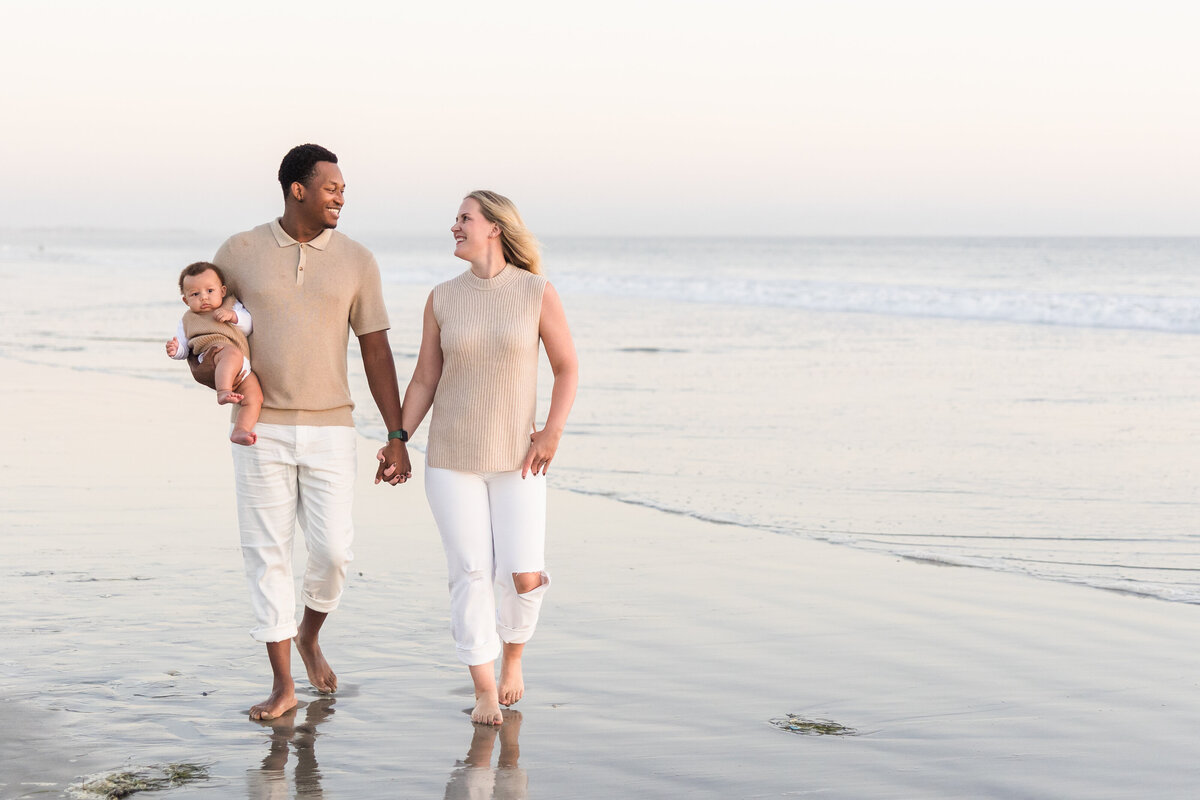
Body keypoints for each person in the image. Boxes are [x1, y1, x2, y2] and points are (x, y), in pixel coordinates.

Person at [203, 143, 411, 721]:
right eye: (331, 187)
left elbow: (376, 349)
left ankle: (309, 633)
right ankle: (282, 684)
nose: (341, 195)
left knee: (334, 552)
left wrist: (396, 433)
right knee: (266, 555)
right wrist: (209, 371)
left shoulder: (357, 260)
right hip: (260, 428)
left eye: (343, 188)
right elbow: (207, 333)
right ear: (298, 189)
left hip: (331, 429)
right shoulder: (238, 252)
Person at [385, 190, 578, 725]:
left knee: (524, 574)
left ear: (494, 227)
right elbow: (426, 376)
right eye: (457, 218)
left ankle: (514, 656)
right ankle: (485, 687)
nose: (455, 226)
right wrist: (399, 436)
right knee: (470, 571)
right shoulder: (442, 297)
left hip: (519, 457)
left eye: (464, 218)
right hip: (451, 457)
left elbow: (567, 368)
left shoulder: (536, 292)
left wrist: (552, 433)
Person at [166, 262, 263, 445]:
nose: (204, 298)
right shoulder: (188, 319)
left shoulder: (232, 306)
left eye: (210, 291)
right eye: (195, 294)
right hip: (212, 354)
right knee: (230, 354)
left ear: (223, 290)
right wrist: (175, 350)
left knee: (255, 397)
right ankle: (223, 391)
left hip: (242, 366)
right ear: (186, 300)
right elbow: (185, 348)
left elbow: (249, 325)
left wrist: (233, 317)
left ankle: (240, 430)